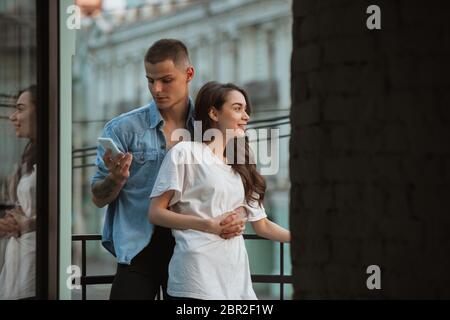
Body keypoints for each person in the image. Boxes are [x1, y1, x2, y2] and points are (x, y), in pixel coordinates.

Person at [91, 39, 246, 300]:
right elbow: (97, 197)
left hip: (195, 254)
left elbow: (234, 181)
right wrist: (115, 180)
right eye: (150, 80)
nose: (157, 89)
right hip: (138, 254)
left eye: (165, 79)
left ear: (189, 74)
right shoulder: (122, 129)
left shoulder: (212, 127)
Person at [149, 81, 291, 300]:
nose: (246, 116)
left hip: (235, 279)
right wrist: (208, 224)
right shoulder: (185, 153)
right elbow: (156, 212)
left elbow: (261, 225)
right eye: (237, 108)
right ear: (214, 113)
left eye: (246, 109)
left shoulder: (242, 164)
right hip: (195, 278)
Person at [0, 85, 38, 300]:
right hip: (19, 255)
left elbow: (58, 211)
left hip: (36, 259)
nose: (13, 117)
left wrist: (29, 223)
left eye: (20, 109)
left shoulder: (54, 157)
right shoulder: (28, 157)